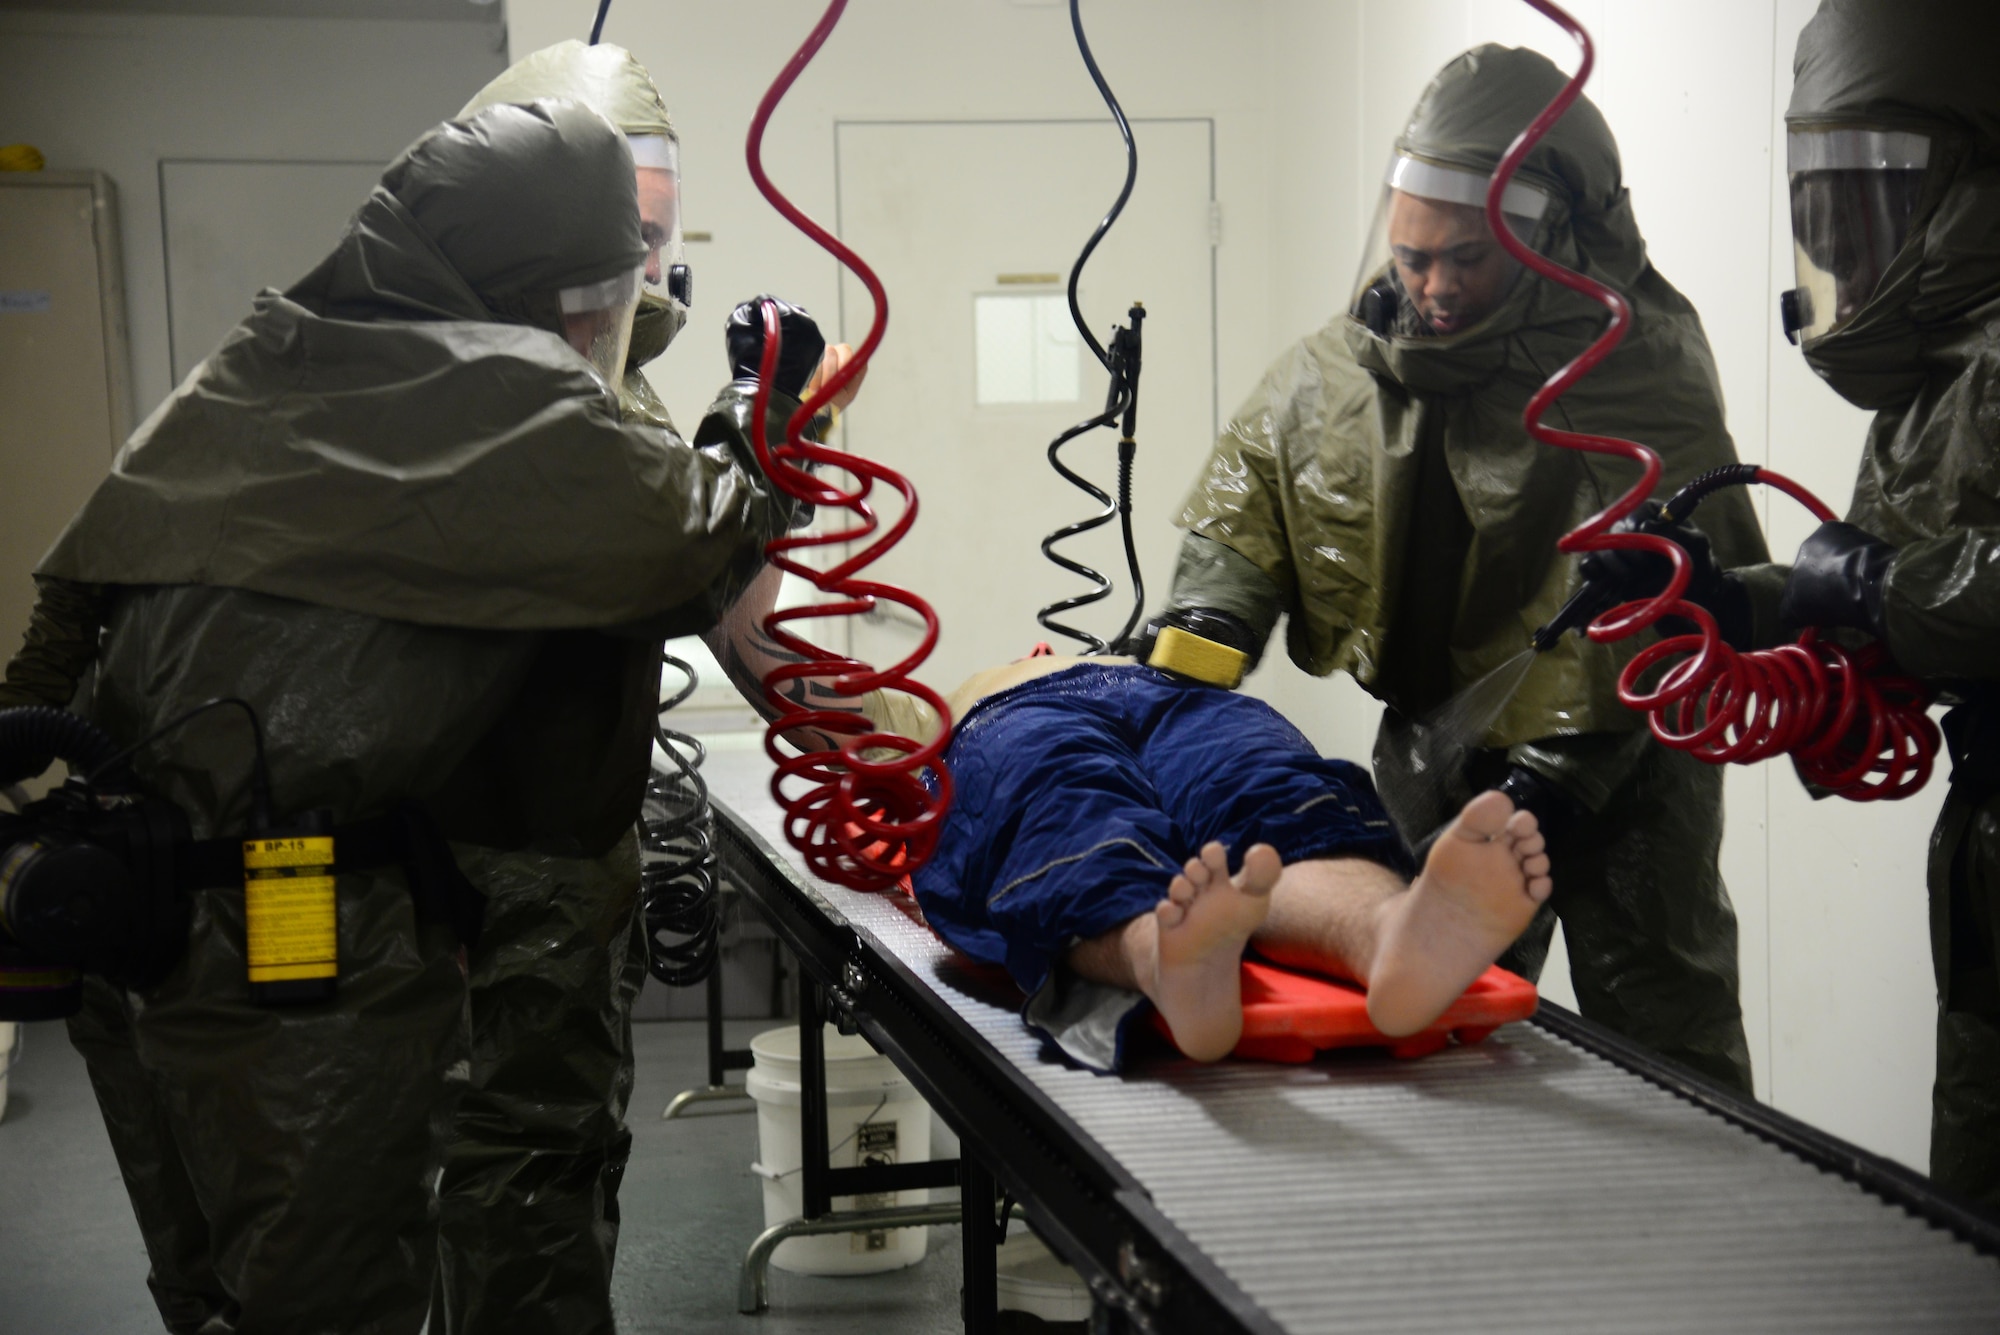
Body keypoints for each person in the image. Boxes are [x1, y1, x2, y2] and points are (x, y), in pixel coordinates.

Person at [0, 100, 822, 1332]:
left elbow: (65, 616)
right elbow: (693, 545)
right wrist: (762, 407)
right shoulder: (502, 397)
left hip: (124, 914)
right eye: (602, 286)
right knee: (329, 1293)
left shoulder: (264, 359)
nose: (599, 323)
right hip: (296, 947)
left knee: (213, 1288)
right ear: (530, 279)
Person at [1151, 45, 1771, 1091]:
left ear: (1551, 239)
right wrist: (1205, 625)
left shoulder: (1636, 365)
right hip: (1442, 733)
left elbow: (1663, 586)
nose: (1431, 288)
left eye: (1465, 261)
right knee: (1422, 1015)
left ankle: (1698, 1193)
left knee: (1665, 1025)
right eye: (1410, 257)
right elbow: (1262, 471)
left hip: (1626, 759)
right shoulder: (1354, 363)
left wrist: (1555, 776)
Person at [427, 43, 851, 1335]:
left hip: (557, 873)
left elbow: (729, 608)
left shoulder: (613, 382)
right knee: (504, 1184)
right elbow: (645, 552)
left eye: (656, 238)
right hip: (463, 877)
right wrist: (752, 450)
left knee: (549, 1170)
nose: (639, 270)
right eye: (614, 237)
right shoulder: (458, 387)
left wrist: (876, 749)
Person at [1661, 0, 2000, 1204]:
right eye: (1829, 198)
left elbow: (1897, 580)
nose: (1845, 242)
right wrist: (1724, 599)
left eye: (1881, 193)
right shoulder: (1933, 372)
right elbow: (1886, 581)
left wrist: (1873, 585)